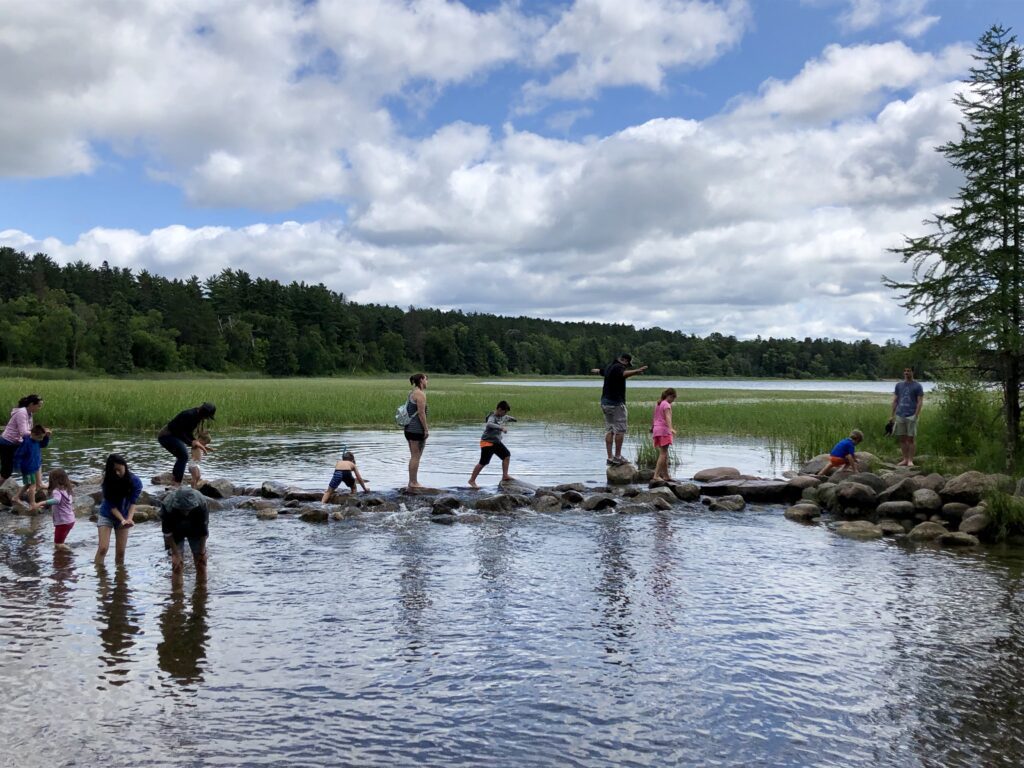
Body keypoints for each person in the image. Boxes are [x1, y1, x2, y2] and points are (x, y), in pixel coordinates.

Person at [590, 353, 648, 465]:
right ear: (625, 361)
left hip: (605, 403)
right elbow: (624, 374)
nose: (627, 366)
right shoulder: (619, 367)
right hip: (616, 403)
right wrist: (637, 371)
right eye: (627, 364)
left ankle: (610, 457)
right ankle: (617, 457)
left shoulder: (609, 366)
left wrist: (596, 370)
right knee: (620, 430)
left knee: (610, 430)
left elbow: (601, 371)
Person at [95, 454, 143, 565]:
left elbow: (133, 502)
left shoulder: (135, 481)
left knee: (121, 553)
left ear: (124, 466)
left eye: (119, 470)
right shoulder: (108, 482)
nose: (117, 473)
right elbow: (111, 505)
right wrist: (122, 520)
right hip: (107, 514)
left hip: (125, 515)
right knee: (103, 548)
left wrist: (129, 519)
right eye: (113, 471)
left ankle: (120, 580)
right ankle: (100, 577)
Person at [158, 402, 216, 486]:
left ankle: (175, 480)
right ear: (204, 413)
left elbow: (188, 432)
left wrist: (196, 442)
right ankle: (176, 483)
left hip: (175, 435)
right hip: (166, 435)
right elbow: (177, 431)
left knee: (182, 456)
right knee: (183, 456)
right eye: (207, 416)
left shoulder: (197, 417)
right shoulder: (189, 415)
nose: (206, 418)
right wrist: (191, 442)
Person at [159, 486, 210, 578]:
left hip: (195, 525)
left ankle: (202, 589)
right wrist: (175, 553)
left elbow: (203, 531)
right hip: (175, 526)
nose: (186, 512)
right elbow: (167, 533)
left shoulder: (201, 503)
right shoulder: (167, 505)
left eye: (188, 509)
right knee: (177, 566)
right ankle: (177, 591)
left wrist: (202, 552)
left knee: (201, 562)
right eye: (183, 509)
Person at [468, 400, 516, 489]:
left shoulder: (503, 416)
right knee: (483, 462)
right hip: (487, 442)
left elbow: (507, 417)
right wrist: (501, 428)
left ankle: (505, 476)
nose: (504, 414)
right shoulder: (492, 416)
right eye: (504, 412)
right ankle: (472, 480)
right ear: (499, 409)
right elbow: (489, 424)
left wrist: (513, 419)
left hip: (496, 442)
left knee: (506, 455)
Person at [0, 394, 43, 484]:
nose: (40, 408)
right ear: (31, 404)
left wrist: (40, 432)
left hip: (17, 442)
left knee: (35, 457)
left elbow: (29, 430)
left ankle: (38, 483)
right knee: (6, 471)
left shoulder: (29, 413)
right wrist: (37, 434)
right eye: (38, 406)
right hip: (7, 443)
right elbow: (24, 433)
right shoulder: (22, 413)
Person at [32, 467, 75, 551]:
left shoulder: (56, 491)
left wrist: (41, 502)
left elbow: (56, 500)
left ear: (52, 480)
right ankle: (64, 558)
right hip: (70, 520)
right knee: (61, 541)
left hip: (62, 522)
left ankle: (71, 552)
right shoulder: (67, 489)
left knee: (58, 544)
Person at [891, 367, 924, 467]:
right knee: (902, 438)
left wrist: (916, 415)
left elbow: (920, 402)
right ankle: (905, 459)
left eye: (908, 371)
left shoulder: (917, 386)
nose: (906, 373)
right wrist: (891, 415)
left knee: (911, 439)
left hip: (911, 415)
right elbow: (895, 400)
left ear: (912, 372)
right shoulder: (899, 385)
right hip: (900, 414)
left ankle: (910, 460)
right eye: (905, 371)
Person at [13, 424, 51, 507]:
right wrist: (17, 466)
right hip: (28, 468)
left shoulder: (37, 441)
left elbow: (44, 444)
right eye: (40, 437)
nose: (41, 439)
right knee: (32, 486)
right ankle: (32, 503)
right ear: (33, 434)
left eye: (42, 437)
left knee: (28, 484)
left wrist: (47, 437)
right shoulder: (26, 443)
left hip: (33, 466)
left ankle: (16, 497)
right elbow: (18, 455)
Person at [404, 373, 429, 489]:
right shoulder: (420, 394)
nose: (427, 382)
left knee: (414, 456)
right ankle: (413, 482)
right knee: (416, 456)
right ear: (421, 380)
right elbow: (421, 413)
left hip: (408, 428)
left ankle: (412, 481)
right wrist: (426, 429)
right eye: (426, 379)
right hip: (416, 429)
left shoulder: (412, 392)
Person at [651, 388, 677, 482]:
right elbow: (668, 417)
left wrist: (652, 427)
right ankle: (656, 475)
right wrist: (670, 428)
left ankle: (666, 475)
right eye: (673, 399)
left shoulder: (659, 403)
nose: (673, 401)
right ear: (670, 396)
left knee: (664, 453)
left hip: (656, 429)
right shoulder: (666, 404)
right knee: (663, 454)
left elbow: (654, 417)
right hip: (663, 430)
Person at [188, 424, 214, 489]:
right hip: (193, 463)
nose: (205, 444)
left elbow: (202, 446)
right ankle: (192, 488)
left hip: (197, 464)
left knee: (198, 476)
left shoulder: (201, 445)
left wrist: (208, 448)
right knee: (195, 476)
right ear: (200, 439)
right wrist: (205, 450)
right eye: (205, 443)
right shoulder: (195, 443)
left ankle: (195, 486)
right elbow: (200, 446)